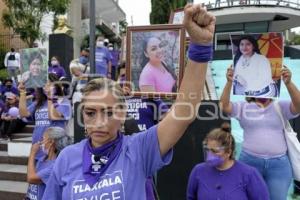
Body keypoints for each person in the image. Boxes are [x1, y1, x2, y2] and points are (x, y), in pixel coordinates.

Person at [42, 4, 215, 199]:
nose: (99, 123)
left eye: (109, 112)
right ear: (82, 114)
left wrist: (200, 46)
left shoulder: (139, 150)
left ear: (123, 113)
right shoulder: (66, 158)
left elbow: (184, 111)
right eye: (91, 113)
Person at [219, 66, 300, 200]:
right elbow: (224, 106)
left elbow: (298, 106)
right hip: (250, 162)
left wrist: (288, 82)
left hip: (279, 166)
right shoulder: (242, 107)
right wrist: (229, 82)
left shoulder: (281, 106)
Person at [187, 123, 269, 200]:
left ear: (228, 152)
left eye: (215, 151)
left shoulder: (249, 174)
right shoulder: (198, 171)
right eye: (208, 150)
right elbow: (190, 197)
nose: (210, 154)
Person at [19, 74, 71, 160]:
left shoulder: (64, 102)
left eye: (50, 84)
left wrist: (51, 97)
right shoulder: (40, 103)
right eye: (44, 84)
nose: (46, 87)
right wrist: (22, 92)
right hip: (38, 149)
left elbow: (53, 116)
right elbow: (23, 113)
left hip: (54, 151)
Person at [25, 127, 72, 200]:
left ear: (51, 142)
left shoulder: (55, 166)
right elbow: (32, 186)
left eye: (43, 139)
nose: (40, 142)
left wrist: (32, 153)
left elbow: (31, 178)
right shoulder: (42, 159)